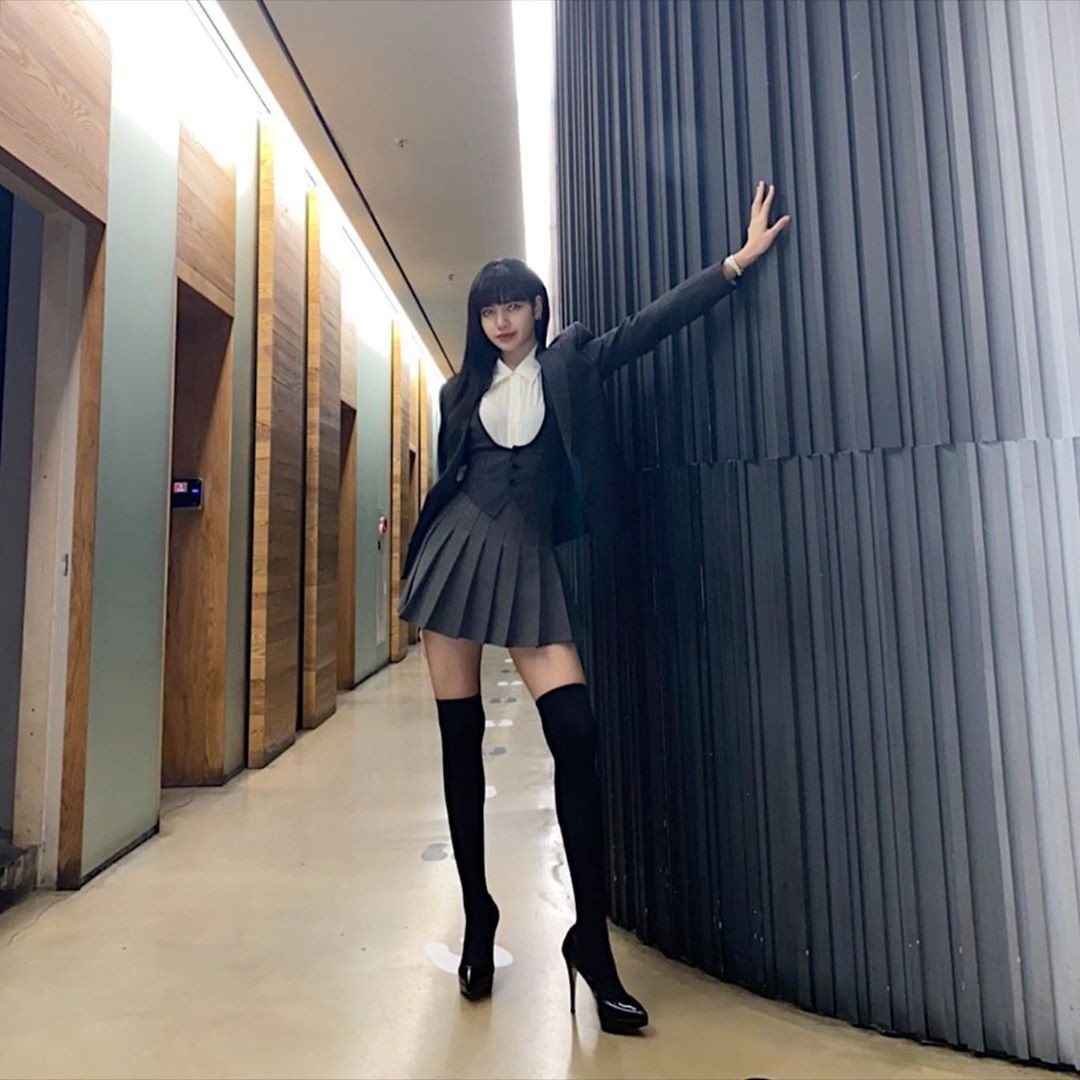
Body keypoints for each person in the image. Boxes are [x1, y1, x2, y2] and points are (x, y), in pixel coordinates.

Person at [398, 182, 791, 1034]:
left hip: (529, 560)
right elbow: (451, 476)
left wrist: (736, 263)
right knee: (460, 745)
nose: (502, 320)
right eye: (488, 309)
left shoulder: (571, 360)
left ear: (538, 308)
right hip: (453, 560)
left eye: (514, 305)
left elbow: (648, 327)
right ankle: (478, 917)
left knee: (577, 734)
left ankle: (590, 942)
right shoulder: (456, 393)